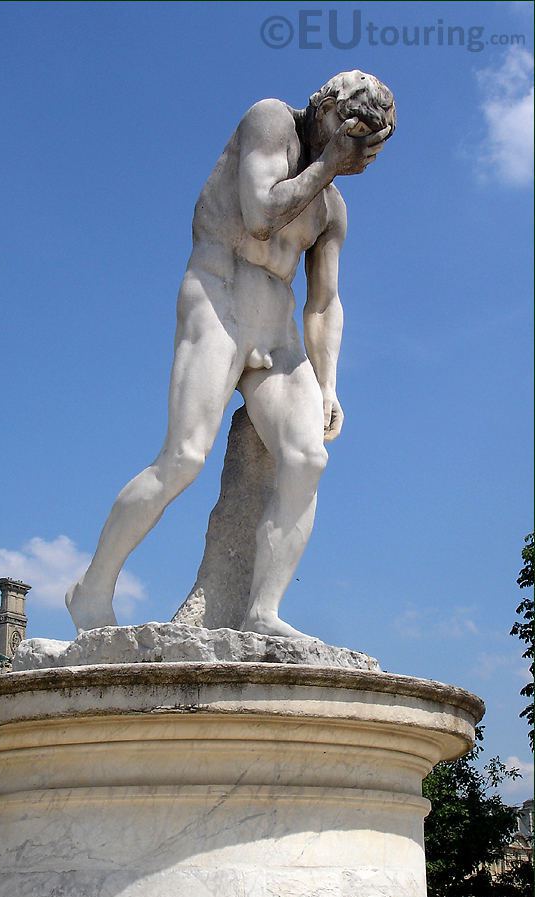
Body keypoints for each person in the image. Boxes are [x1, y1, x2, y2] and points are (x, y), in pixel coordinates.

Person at [67, 70, 395, 639]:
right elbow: (261, 216)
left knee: (307, 458)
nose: (358, 158)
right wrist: (329, 165)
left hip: (277, 323)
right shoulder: (270, 120)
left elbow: (324, 303)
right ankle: (91, 588)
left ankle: (262, 611)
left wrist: (329, 384)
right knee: (184, 458)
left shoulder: (332, 208)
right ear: (326, 112)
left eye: (370, 150)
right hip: (219, 297)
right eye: (355, 138)